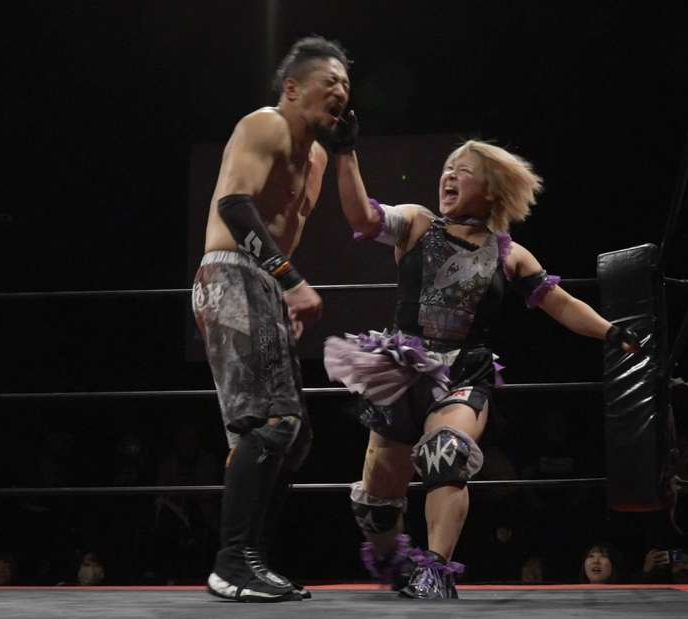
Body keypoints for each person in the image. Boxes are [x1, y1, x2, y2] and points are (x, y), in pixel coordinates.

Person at [324, 136, 643, 599]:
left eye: (463, 170)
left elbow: (560, 303)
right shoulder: (417, 223)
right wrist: (345, 153)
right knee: (375, 506)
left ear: (492, 190)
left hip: (463, 373)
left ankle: (437, 570)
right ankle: (397, 562)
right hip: (402, 372)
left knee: (446, 453)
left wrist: (611, 332)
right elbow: (363, 218)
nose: (449, 175)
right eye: (447, 168)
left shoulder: (509, 253)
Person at [191, 35, 351, 603]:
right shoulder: (264, 125)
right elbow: (235, 206)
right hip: (233, 272)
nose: (341, 90)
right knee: (271, 423)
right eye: (330, 80)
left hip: (260, 284)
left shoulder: (318, 157)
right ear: (292, 88)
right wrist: (290, 280)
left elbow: (288, 226)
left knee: (295, 437)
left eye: (347, 85)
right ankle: (232, 563)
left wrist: (279, 294)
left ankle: (249, 559)